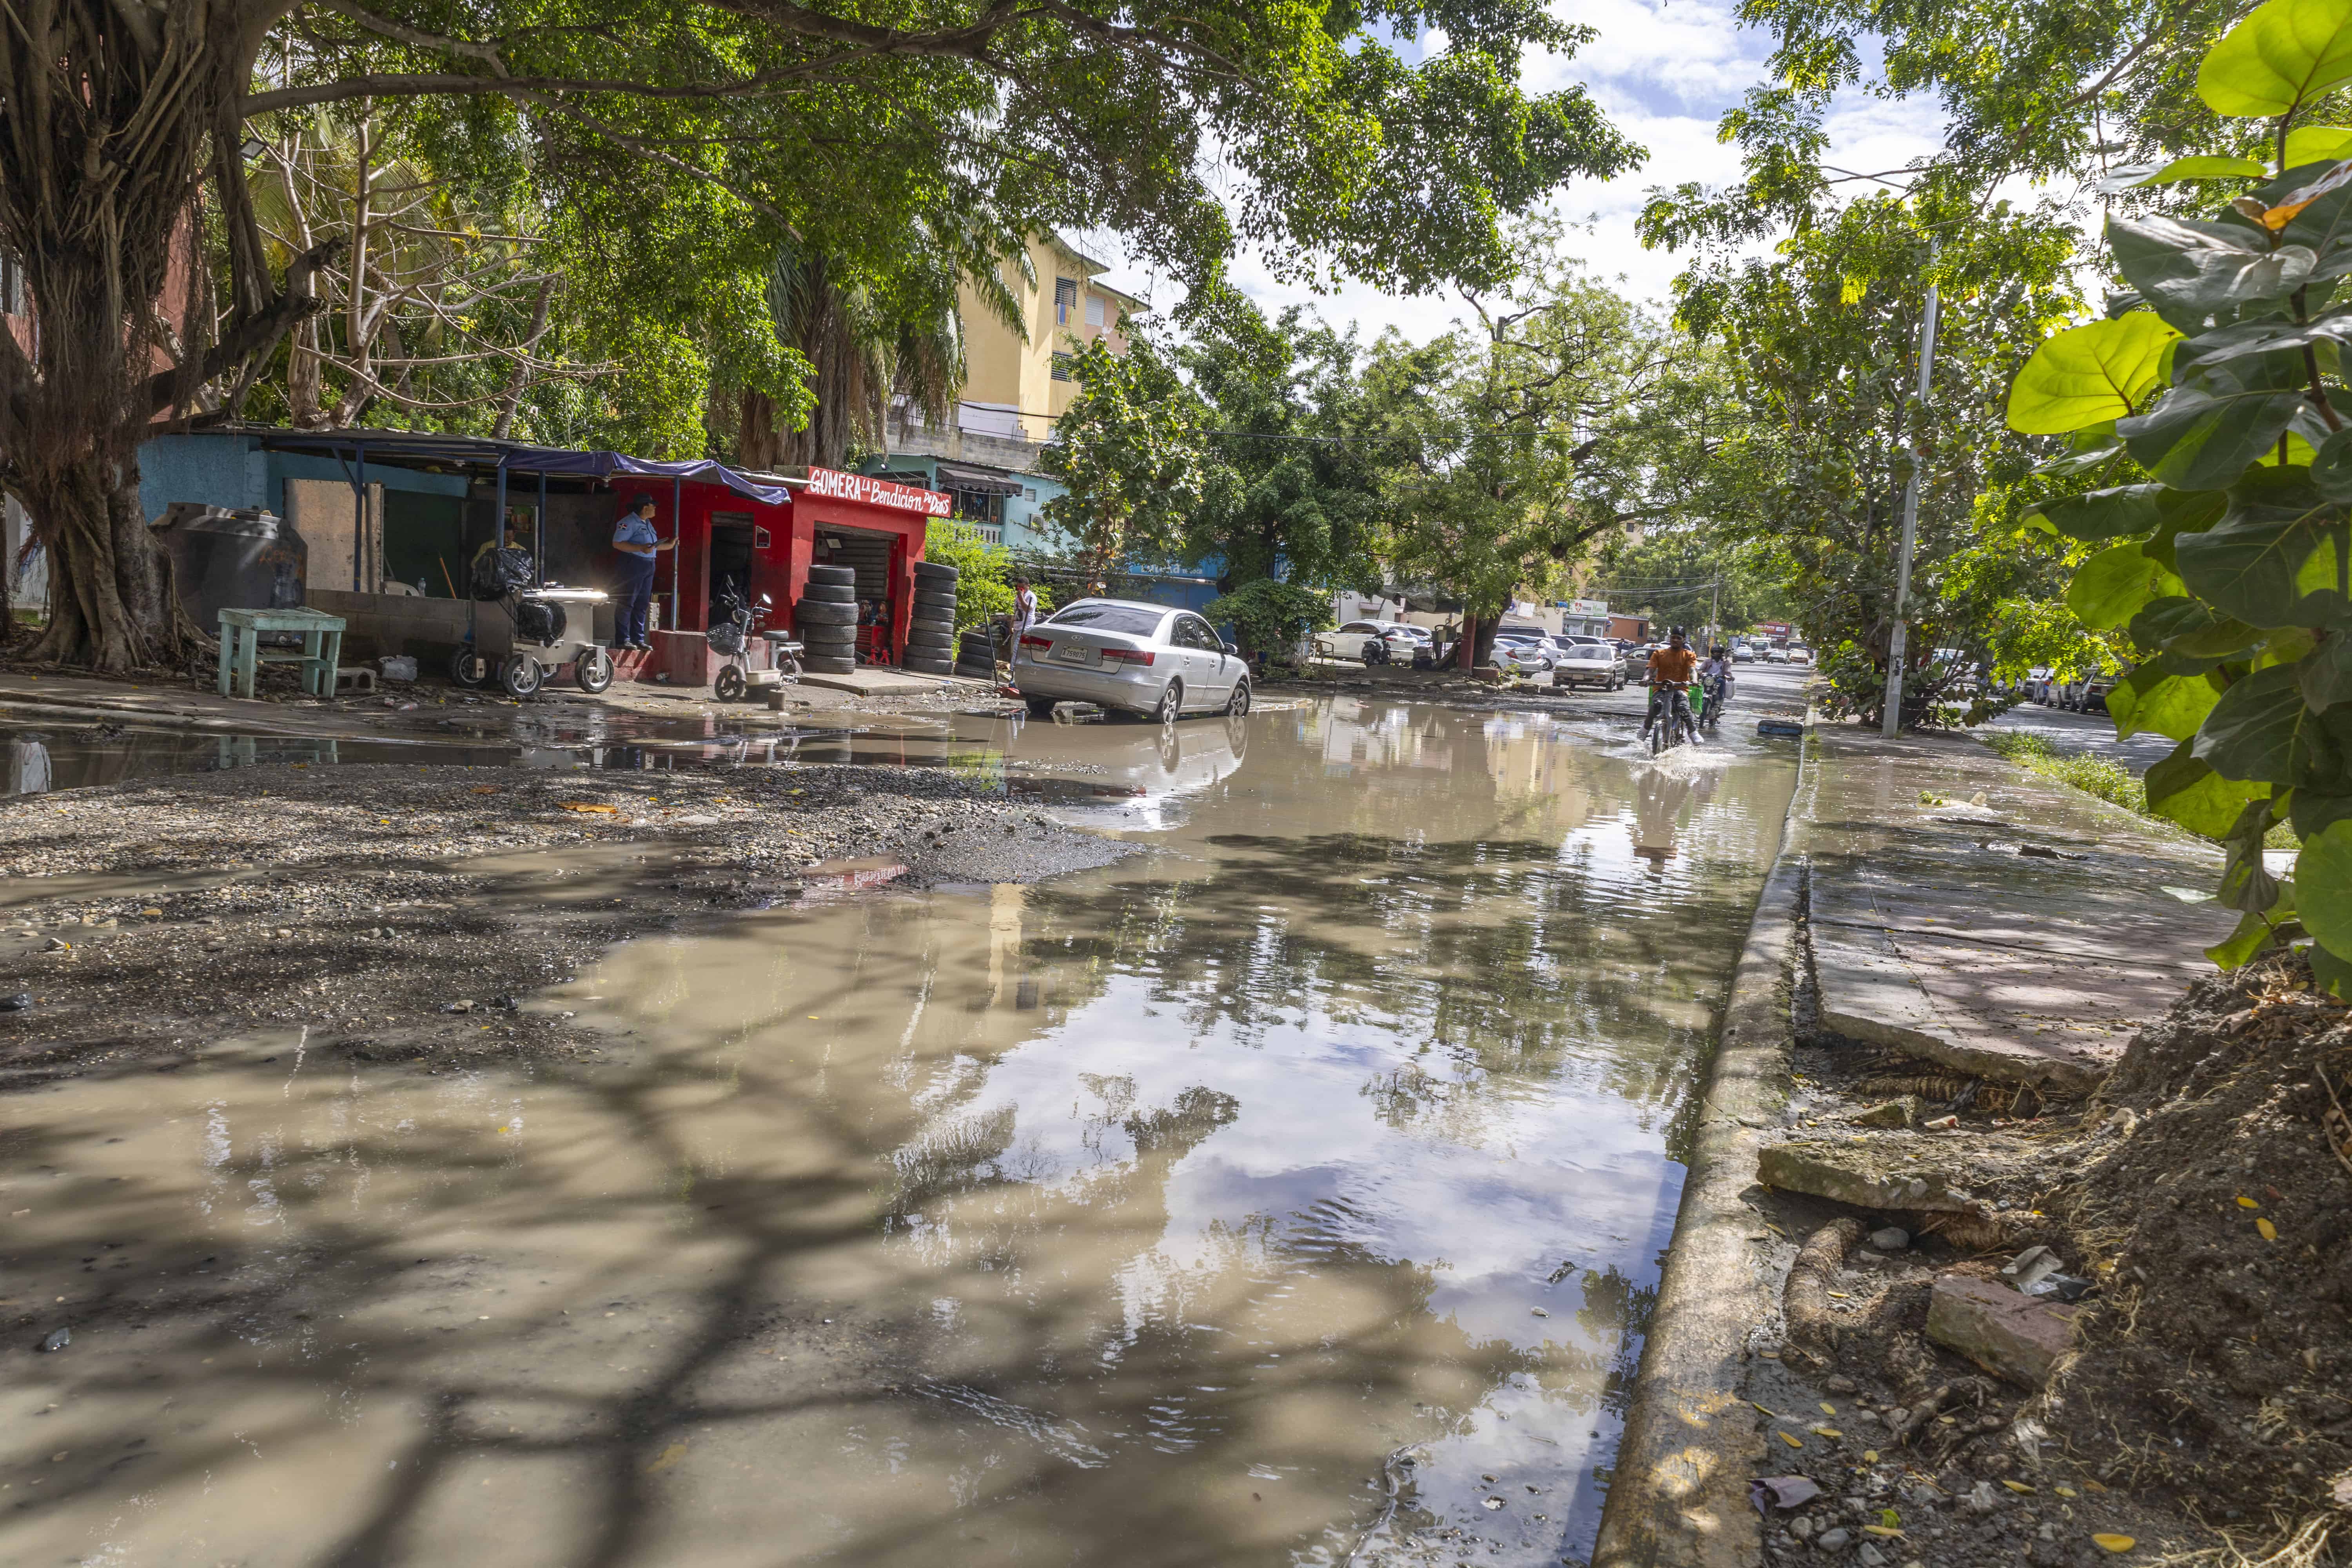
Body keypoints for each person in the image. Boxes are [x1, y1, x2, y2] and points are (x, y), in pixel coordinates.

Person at [611, 493, 673, 651]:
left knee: (642, 604)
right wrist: (640, 548)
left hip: (648, 565)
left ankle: (638, 639)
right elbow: (618, 544)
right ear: (645, 507)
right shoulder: (628, 523)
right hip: (633, 565)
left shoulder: (647, 523)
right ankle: (623, 639)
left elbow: (651, 547)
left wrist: (670, 546)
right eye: (653, 505)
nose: (655, 508)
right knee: (627, 603)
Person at [1642, 626, 1699, 741]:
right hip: (1661, 688)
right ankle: (1644, 730)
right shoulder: (1659, 653)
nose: (1675, 640)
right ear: (1670, 639)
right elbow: (1650, 670)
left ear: (1683, 640)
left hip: (1680, 689)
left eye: (1678, 638)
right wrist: (1645, 679)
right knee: (1656, 706)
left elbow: (1692, 670)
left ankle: (1693, 732)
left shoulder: (1689, 655)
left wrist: (1694, 681)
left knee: (1684, 708)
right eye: (1673, 638)